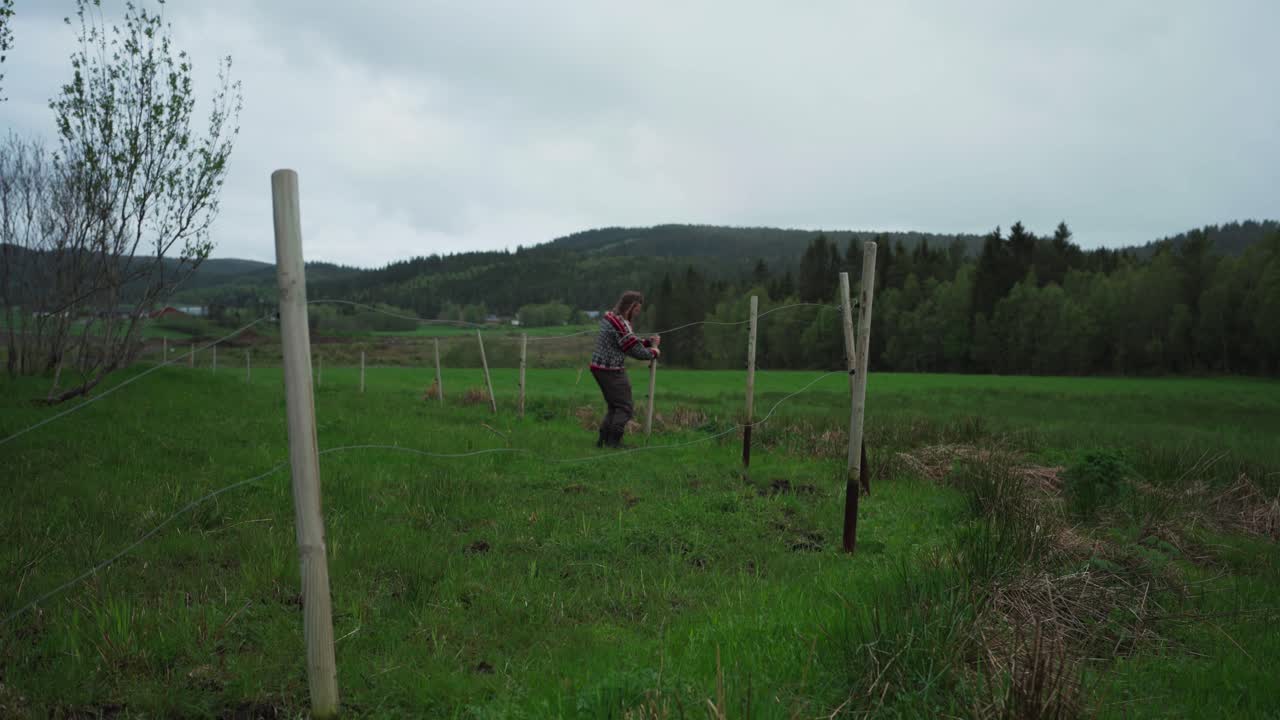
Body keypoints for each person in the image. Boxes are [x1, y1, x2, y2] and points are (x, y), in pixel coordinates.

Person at [589, 291, 661, 448]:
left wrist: (647, 342)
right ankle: (614, 442)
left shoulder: (611, 317)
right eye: (637, 309)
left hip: (599, 367)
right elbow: (636, 351)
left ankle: (603, 440)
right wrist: (654, 351)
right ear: (630, 306)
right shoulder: (621, 324)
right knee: (625, 407)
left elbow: (627, 341)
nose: (638, 313)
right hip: (611, 370)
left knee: (614, 406)